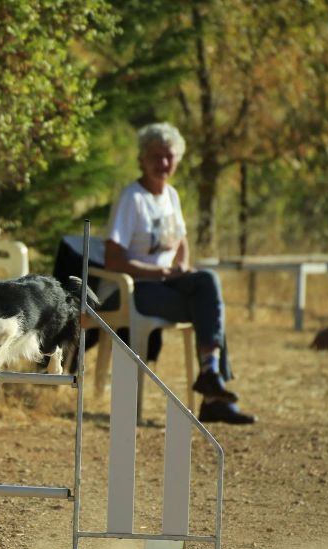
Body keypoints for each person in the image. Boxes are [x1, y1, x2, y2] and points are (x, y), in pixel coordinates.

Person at [103, 122, 256, 425]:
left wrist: (182, 267)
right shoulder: (131, 199)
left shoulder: (171, 195)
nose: (162, 163)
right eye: (155, 156)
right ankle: (212, 390)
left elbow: (181, 240)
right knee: (210, 307)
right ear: (142, 160)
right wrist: (157, 270)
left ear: (178, 160)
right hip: (138, 288)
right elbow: (112, 259)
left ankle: (211, 380)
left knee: (207, 283)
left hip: (170, 284)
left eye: (169, 157)